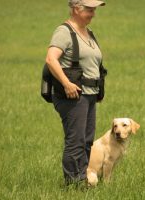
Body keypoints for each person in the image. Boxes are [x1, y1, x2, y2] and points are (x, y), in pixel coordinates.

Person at [45, 0, 106, 185]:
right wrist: (66, 83)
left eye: (94, 9)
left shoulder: (89, 33)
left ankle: (82, 178)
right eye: (89, 9)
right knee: (76, 140)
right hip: (73, 96)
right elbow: (50, 59)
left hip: (89, 94)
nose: (93, 13)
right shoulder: (64, 32)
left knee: (87, 140)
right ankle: (74, 184)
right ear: (75, 9)